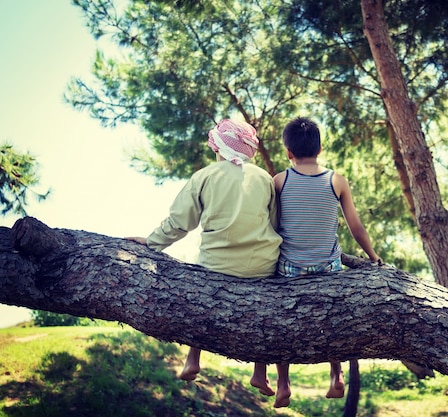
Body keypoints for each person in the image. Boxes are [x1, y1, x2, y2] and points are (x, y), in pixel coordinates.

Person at [126, 119, 282, 382]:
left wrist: (151, 242)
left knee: (197, 295)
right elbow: (275, 224)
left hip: (216, 267)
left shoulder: (204, 176)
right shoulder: (264, 178)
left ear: (217, 148)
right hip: (262, 267)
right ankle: (260, 372)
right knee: (264, 313)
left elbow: (179, 223)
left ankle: (192, 359)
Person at [250, 116, 382, 408]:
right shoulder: (337, 181)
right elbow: (355, 227)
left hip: (290, 269)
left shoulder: (279, 181)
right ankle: (336, 374)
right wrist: (372, 256)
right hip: (328, 268)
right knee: (332, 319)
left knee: (280, 319)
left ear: (288, 152)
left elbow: (270, 225)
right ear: (320, 148)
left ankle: (283, 384)